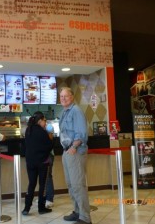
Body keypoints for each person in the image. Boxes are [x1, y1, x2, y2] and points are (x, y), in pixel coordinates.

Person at [59, 87, 92, 224]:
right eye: (61, 96)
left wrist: (73, 147)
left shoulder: (76, 111)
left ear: (72, 97)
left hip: (75, 151)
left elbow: (82, 133)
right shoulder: (64, 112)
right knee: (71, 185)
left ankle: (85, 218)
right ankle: (77, 211)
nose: (63, 98)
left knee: (78, 185)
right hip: (67, 151)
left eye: (66, 96)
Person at [22, 111, 53, 215]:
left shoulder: (28, 130)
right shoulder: (42, 132)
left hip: (30, 162)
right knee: (42, 185)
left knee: (31, 184)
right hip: (42, 162)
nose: (45, 123)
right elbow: (49, 146)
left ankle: (26, 208)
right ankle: (41, 208)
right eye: (44, 120)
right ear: (40, 121)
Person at [44, 123, 55, 208]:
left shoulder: (49, 127)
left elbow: (51, 138)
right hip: (42, 155)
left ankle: (49, 199)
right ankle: (45, 197)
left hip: (48, 154)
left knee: (48, 176)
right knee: (43, 177)